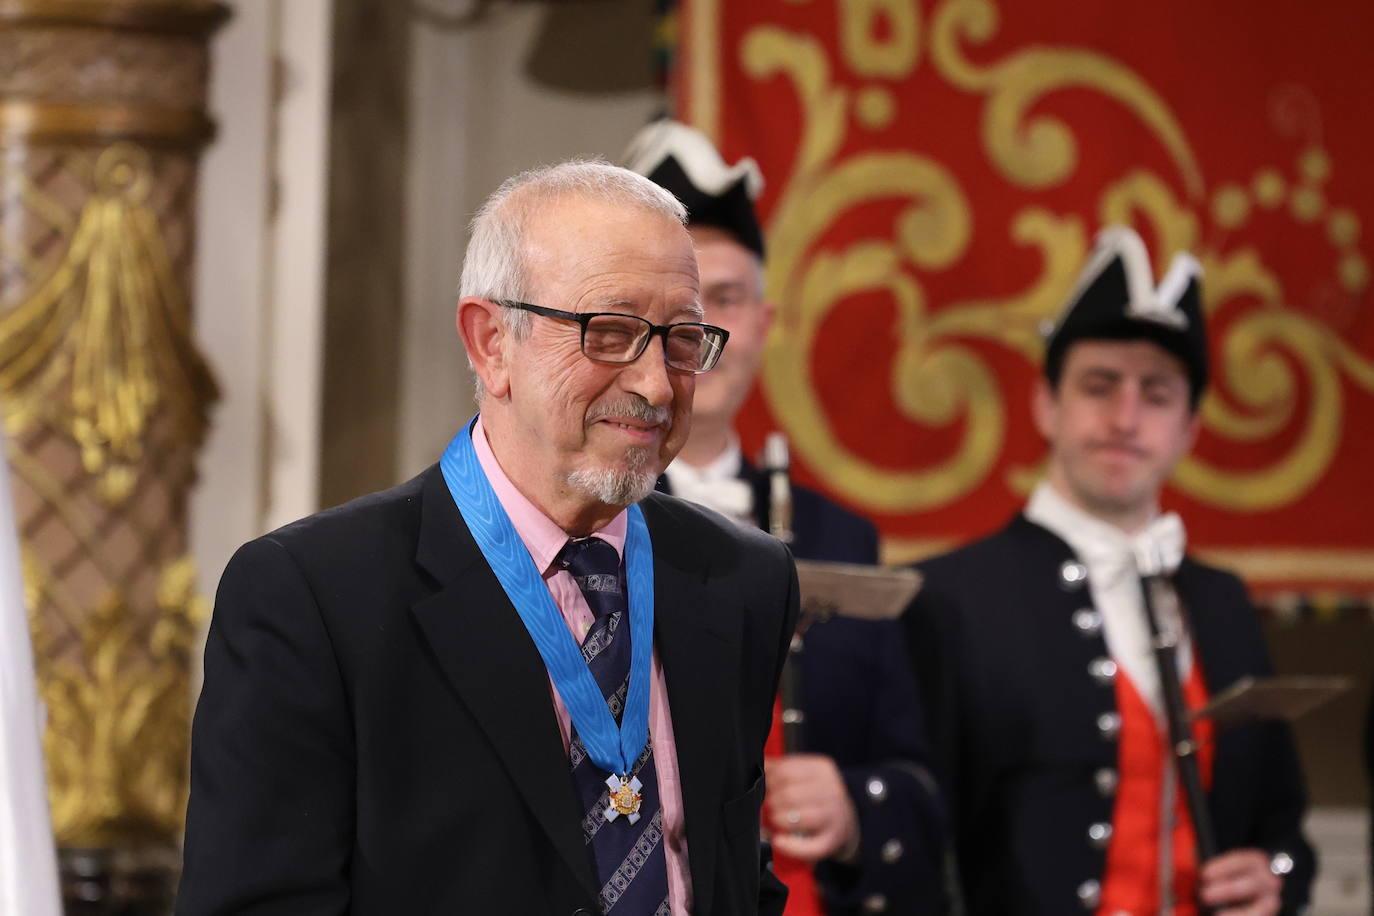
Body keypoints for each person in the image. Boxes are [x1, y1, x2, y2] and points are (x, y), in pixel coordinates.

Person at [177, 161, 799, 916]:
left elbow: (729, 878)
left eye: (682, 338)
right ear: (491, 341)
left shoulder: (741, 581)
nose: (659, 385)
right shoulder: (314, 599)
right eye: (610, 333)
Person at [902, 227, 1315, 915]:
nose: (1126, 418)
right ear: (1047, 404)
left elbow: (1284, 831)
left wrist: (1273, 879)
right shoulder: (948, 598)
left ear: (1188, 429)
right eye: (1100, 386)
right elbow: (916, 850)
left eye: (1156, 394)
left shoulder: (1224, 603)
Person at [627, 120, 945, 916]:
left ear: (765, 325)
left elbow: (913, 775)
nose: (700, 335)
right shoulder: (572, 518)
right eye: (670, 309)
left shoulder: (842, 534)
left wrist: (852, 809)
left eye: (724, 300)